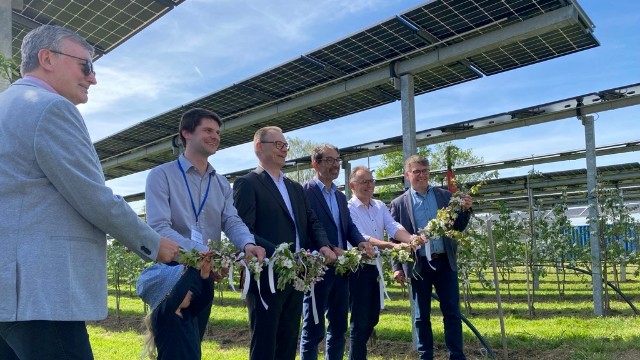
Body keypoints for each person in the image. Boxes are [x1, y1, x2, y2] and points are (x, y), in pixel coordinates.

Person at [0, 25, 179, 359]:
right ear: (47, 58)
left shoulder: (7, 107)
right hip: (42, 297)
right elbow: (93, 197)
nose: (93, 78)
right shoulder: (50, 108)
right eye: (86, 66)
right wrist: (155, 245)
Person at [145, 107, 266, 340]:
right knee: (176, 349)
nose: (215, 137)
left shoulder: (220, 183)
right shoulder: (161, 175)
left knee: (195, 343)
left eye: (218, 132)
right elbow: (158, 226)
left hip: (205, 275)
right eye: (208, 130)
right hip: (173, 274)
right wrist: (203, 252)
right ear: (186, 134)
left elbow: (231, 220)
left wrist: (248, 244)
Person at [232, 126, 337, 360]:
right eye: (278, 145)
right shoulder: (247, 183)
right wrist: (282, 257)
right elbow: (243, 230)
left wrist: (323, 245)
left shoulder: (295, 188)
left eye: (285, 145)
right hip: (266, 276)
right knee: (265, 342)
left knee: (288, 341)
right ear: (259, 147)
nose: (284, 150)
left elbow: (312, 221)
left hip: (297, 277)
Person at [389, 155, 473, 360]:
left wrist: (466, 209)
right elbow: (393, 237)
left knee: (452, 312)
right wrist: (397, 267)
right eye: (416, 171)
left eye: (425, 170)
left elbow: (458, 226)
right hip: (418, 264)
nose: (421, 175)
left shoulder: (444, 196)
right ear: (407, 175)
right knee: (421, 315)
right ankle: (425, 355)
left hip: (444, 261)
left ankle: (456, 355)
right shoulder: (399, 204)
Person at [300, 145, 374, 360]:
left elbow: (348, 226)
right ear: (316, 163)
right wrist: (329, 248)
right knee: (313, 328)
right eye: (330, 160)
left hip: (342, 269)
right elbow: (306, 229)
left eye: (337, 160)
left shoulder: (340, 196)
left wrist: (360, 242)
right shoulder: (305, 192)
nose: (336, 165)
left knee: (339, 326)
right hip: (318, 267)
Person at [346, 166, 416, 360]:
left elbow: (393, 226)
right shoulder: (349, 208)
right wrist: (390, 246)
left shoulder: (379, 206)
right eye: (364, 182)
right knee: (359, 322)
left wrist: (410, 240)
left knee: (372, 317)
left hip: (374, 268)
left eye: (371, 181)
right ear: (353, 185)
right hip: (357, 268)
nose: (369, 185)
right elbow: (361, 236)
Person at [138, 257, 214, 360]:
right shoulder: (162, 316)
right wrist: (194, 266)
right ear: (167, 295)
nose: (191, 290)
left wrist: (205, 277)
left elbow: (206, 297)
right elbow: (177, 295)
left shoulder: (188, 313)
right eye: (187, 288)